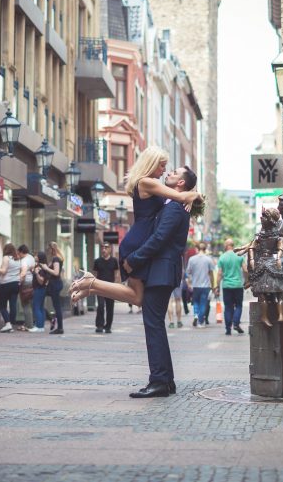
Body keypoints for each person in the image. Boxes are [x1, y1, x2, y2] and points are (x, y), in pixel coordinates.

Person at [70, 147, 201, 305]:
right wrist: (195, 195)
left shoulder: (148, 183)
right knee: (137, 298)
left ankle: (92, 287)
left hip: (139, 239)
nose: (164, 170)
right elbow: (180, 196)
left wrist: (191, 197)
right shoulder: (147, 182)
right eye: (162, 165)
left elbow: (178, 197)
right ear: (151, 164)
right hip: (137, 242)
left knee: (137, 298)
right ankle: (93, 283)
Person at [123, 166, 198, 398]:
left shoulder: (175, 208)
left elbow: (158, 239)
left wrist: (133, 260)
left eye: (174, 172)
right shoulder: (174, 203)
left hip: (162, 272)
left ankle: (159, 381)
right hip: (162, 272)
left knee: (153, 325)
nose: (169, 173)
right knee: (156, 325)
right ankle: (166, 381)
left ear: (181, 184)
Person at [236, 207, 283, 327]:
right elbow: (251, 247)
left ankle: (280, 314)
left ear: (270, 220)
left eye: (264, 217)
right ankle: (264, 316)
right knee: (262, 293)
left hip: (271, 262)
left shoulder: (278, 236)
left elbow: (281, 248)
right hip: (262, 264)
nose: (261, 219)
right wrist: (252, 259)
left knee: (280, 290)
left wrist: (279, 258)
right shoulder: (260, 236)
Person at [0, 243, 22, 333]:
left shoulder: (6, 258)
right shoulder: (18, 259)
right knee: (13, 305)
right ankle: (11, 324)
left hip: (6, 284)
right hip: (16, 284)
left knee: (2, 305)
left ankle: (8, 324)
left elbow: (3, 271)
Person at [217, 238, 247, 335]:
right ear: (233, 245)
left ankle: (228, 328)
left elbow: (219, 274)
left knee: (228, 307)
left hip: (226, 286)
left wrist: (217, 286)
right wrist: (247, 281)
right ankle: (236, 323)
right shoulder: (239, 256)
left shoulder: (222, 257)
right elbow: (245, 270)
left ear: (226, 245)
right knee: (238, 305)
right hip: (238, 285)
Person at [185, 243, 217, 328]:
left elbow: (188, 272)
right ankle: (200, 321)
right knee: (203, 303)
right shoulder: (208, 259)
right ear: (205, 249)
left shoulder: (192, 259)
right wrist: (213, 285)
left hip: (195, 285)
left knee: (195, 301)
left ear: (197, 249)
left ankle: (196, 315)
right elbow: (211, 274)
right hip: (205, 286)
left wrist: (189, 282)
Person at [93, 242, 120, 334]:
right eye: (102, 247)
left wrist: (116, 285)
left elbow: (116, 274)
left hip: (111, 287)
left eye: (106, 247)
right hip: (100, 287)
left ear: (110, 249)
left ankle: (108, 326)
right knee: (100, 306)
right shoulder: (97, 261)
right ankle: (99, 325)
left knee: (110, 307)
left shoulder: (114, 261)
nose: (103, 249)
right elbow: (95, 275)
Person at [42, 241, 65, 334]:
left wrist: (46, 268)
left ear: (52, 249)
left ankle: (59, 327)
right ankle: (53, 320)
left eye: (49, 249)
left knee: (57, 307)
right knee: (56, 306)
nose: (48, 251)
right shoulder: (55, 258)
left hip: (55, 284)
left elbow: (56, 272)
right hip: (54, 284)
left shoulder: (56, 259)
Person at [28, 251, 50, 333]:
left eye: (36, 255)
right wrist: (33, 271)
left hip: (39, 288)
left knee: (36, 307)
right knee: (40, 307)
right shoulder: (40, 266)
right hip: (41, 289)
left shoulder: (41, 267)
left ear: (40, 257)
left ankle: (39, 326)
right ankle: (41, 326)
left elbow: (41, 281)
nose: (35, 256)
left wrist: (36, 273)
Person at [17, 244, 35, 330]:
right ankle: (30, 324)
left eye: (19, 253)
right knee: (30, 305)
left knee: (25, 305)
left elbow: (23, 273)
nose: (18, 255)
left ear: (21, 252)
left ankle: (29, 325)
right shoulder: (31, 257)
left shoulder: (24, 260)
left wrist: (19, 281)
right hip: (32, 283)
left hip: (25, 284)